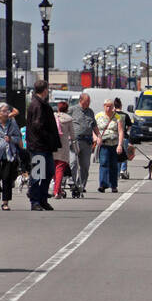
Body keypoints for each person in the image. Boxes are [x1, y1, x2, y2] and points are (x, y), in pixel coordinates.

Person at [26, 80, 60, 211]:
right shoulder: (38, 105)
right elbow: (37, 125)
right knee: (37, 174)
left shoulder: (40, 104)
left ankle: (42, 198)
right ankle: (35, 200)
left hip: (44, 146)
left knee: (49, 171)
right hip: (38, 146)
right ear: (45, 90)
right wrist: (49, 137)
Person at [68, 92, 97, 197]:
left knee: (85, 165)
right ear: (81, 100)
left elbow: (94, 125)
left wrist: (98, 136)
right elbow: (63, 120)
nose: (88, 103)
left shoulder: (90, 112)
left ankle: (81, 185)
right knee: (73, 163)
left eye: (89, 101)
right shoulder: (72, 110)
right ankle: (72, 183)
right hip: (75, 141)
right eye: (86, 101)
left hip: (87, 142)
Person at [94, 98, 125, 193]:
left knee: (113, 165)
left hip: (114, 144)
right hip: (103, 144)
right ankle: (103, 185)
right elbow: (93, 128)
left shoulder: (117, 117)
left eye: (110, 106)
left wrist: (120, 145)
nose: (108, 108)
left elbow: (120, 131)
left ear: (113, 107)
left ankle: (113, 185)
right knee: (103, 163)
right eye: (106, 106)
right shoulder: (98, 116)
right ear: (104, 106)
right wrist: (96, 138)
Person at [53, 100, 74, 199]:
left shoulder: (53, 117)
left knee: (53, 168)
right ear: (67, 109)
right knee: (60, 168)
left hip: (53, 145)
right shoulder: (69, 119)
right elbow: (73, 135)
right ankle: (57, 190)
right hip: (63, 146)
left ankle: (57, 189)